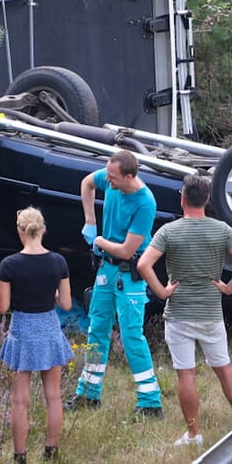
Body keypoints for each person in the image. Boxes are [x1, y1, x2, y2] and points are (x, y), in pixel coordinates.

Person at [136, 173, 232, 448]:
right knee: (224, 368)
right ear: (208, 200)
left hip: (179, 313)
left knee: (185, 374)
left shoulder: (169, 231)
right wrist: (230, 287)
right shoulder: (221, 229)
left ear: (182, 198)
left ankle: (193, 434)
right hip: (211, 311)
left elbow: (143, 264)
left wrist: (162, 291)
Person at [68, 149, 163, 415]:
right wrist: (90, 220)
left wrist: (98, 241)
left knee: (132, 335)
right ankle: (88, 394)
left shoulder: (145, 203)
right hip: (105, 271)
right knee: (96, 329)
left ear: (129, 176)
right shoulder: (109, 177)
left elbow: (125, 250)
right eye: (107, 175)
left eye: (112, 178)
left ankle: (150, 401)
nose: (107, 182)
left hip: (127, 274)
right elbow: (87, 183)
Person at [0, 207, 74, 464]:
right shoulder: (58, 262)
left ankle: (20, 457)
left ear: (20, 231)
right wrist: (48, 293)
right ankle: (52, 451)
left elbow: (3, 307)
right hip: (49, 328)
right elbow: (65, 304)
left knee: (20, 400)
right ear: (43, 229)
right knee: (53, 396)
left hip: (23, 330)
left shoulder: (9, 265)